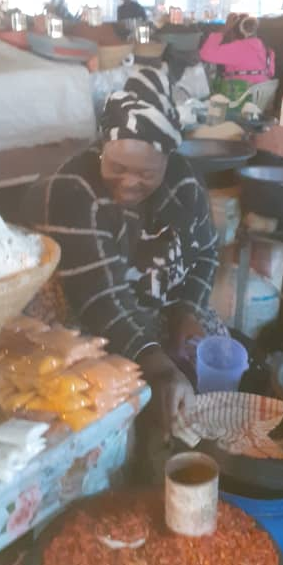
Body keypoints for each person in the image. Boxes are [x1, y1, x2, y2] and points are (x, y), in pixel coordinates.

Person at [24, 65, 224, 453]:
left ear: (167, 160)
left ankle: (182, 445)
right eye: (117, 167)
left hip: (153, 300)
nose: (130, 182)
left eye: (146, 173)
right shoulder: (73, 188)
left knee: (212, 351)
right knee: (97, 385)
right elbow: (101, 298)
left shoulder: (184, 181)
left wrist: (187, 312)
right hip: (82, 309)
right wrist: (157, 364)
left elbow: (204, 253)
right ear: (102, 149)